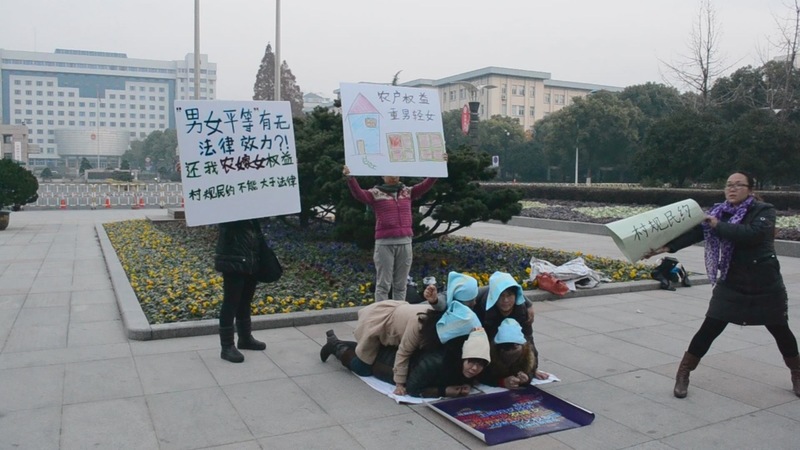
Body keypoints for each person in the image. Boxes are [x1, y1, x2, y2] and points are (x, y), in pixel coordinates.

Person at [646, 171, 800, 398]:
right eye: (729, 185)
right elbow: (698, 232)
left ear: (750, 189)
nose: (732, 189)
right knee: (710, 328)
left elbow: (752, 235)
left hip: (764, 283)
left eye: (739, 185)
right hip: (732, 282)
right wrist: (666, 248)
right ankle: (684, 373)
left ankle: (797, 374)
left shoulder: (764, 211)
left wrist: (717, 224)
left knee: (781, 330)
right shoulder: (720, 212)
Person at [320, 274, 479, 393]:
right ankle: (335, 346)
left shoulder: (451, 316)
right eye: (471, 300)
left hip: (399, 322)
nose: (474, 303)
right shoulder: (420, 325)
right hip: (380, 322)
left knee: (372, 353)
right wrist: (400, 384)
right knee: (363, 367)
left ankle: (348, 345)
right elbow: (404, 351)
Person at [343, 164, 438, 302]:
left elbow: (425, 185)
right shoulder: (375, 193)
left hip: (405, 242)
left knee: (401, 284)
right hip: (384, 244)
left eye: (396, 173)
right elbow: (359, 194)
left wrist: (438, 168)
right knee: (383, 284)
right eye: (389, 174)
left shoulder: (407, 192)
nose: (393, 176)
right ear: (382, 176)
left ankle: (398, 314)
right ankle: (381, 315)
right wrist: (350, 178)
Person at [370, 327, 492, 398]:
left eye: (481, 364)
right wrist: (444, 391)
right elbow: (413, 388)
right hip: (386, 362)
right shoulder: (436, 362)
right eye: (471, 362)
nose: (475, 368)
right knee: (359, 365)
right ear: (463, 358)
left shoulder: (468, 368)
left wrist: (467, 384)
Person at [473, 271, 549, 380]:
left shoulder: (521, 310)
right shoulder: (483, 310)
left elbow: (528, 339)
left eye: (509, 295)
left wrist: (532, 369)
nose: (506, 300)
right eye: (501, 296)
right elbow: (482, 343)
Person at [214, 219, 268, 363]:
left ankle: (245, 338)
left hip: (250, 256)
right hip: (233, 257)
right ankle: (227, 346)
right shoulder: (229, 208)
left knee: (245, 300)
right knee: (231, 302)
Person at [480, 318, 540, 388]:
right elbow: (481, 376)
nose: (511, 352)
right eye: (507, 348)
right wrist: (502, 382)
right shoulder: (489, 356)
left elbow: (532, 370)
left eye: (514, 348)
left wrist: (527, 378)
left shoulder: (529, 355)